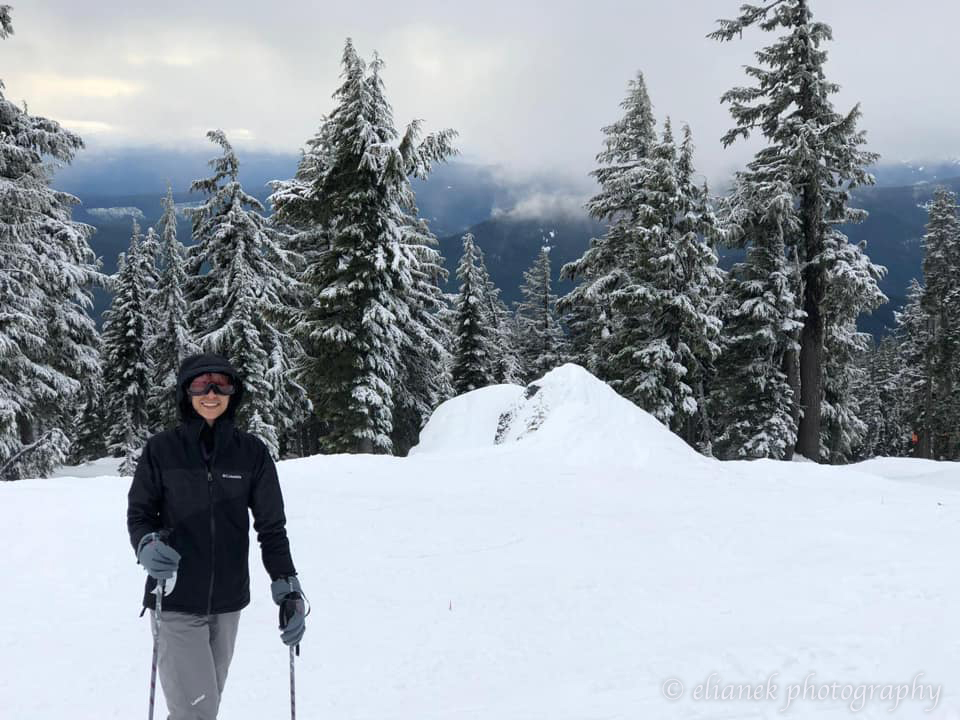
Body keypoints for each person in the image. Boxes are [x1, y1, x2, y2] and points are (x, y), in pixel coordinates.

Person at [127, 352, 306, 720]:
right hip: (174, 599)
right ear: (185, 393)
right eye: (200, 384)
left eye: (221, 384)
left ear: (233, 392)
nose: (211, 393)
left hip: (228, 602)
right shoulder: (162, 450)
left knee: (201, 706)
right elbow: (141, 514)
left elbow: (271, 529)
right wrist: (146, 544)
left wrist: (287, 585)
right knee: (198, 712)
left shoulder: (251, 453)